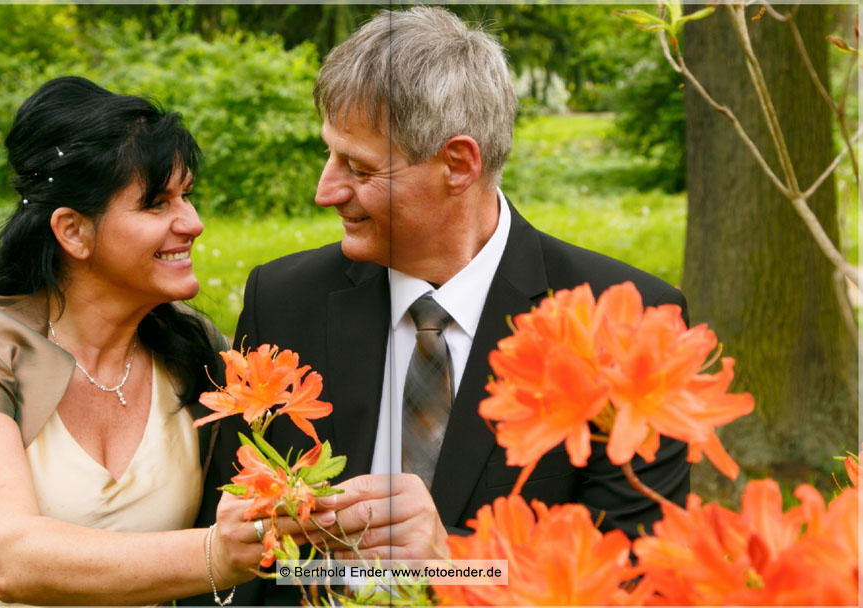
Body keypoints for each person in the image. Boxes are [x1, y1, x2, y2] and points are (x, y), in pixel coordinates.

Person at [189, 7, 690, 605]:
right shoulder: (284, 299)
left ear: (458, 164)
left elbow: (632, 582)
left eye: (359, 167)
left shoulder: (621, 325)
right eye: (330, 155)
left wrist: (453, 565)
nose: (326, 191)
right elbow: (236, 565)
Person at [0, 76, 334, 606]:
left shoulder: (194, 350)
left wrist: (438, 567)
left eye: (187, 196)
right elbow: (10, 559)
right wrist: (215, 556)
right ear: (73, 231)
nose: (195, 223)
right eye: (158, 203)